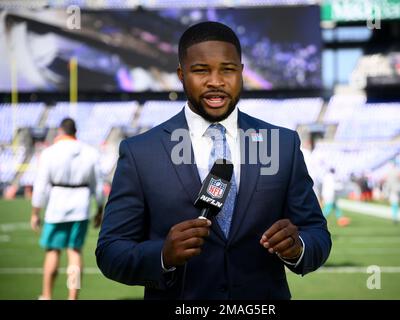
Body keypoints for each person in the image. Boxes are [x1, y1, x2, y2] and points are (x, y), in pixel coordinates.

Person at [96, 21, 331, 300]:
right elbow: (110, 250)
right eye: (201, 70)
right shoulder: (141, 152)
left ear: (241, 73)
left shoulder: (282, 145)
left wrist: (298, 248)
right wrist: (162, 255)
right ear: (182, 75)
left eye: (227, 70)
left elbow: (316, 233)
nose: (216, 81)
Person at [31, 118, 104, 300]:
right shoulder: (90, 152)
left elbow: (40, 186)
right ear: (75, 132)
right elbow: (98, 185)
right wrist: (100, 209)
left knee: (52, 251)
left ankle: (47, 295)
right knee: (75, 253)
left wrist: (35, 213)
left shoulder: (49, 153)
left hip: (56, 206)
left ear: (60, 131)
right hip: (81, 207)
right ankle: (73, 297)